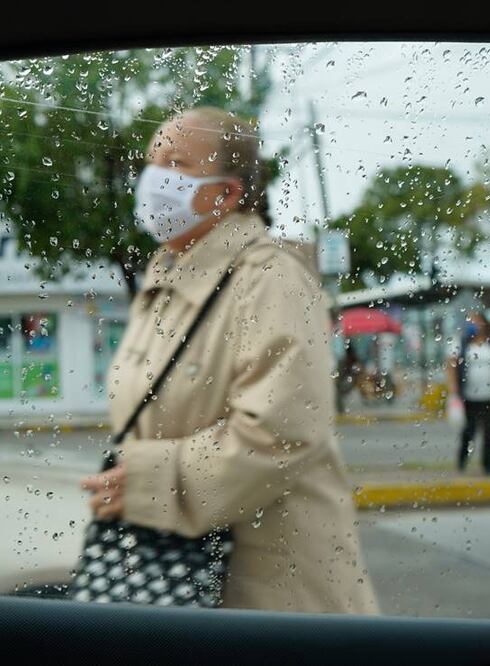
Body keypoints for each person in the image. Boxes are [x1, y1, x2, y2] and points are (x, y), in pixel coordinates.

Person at [79, 107, 377, 614]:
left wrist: (149, 482)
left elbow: (281, 432)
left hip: (273, 597)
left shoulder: (270, 278)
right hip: (182, 575)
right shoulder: (169, 278)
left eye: (176, 164)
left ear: (227, 193)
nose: (155, 180)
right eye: (152, 164)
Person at [446, 311, 490, 475]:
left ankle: (488, 464)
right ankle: (462, 460)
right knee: (469, 430)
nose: (473, 324)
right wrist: (453, 387)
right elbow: (451, 365)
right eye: (470, 321)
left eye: (476, 321)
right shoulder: (461, 343)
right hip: (469, 396)